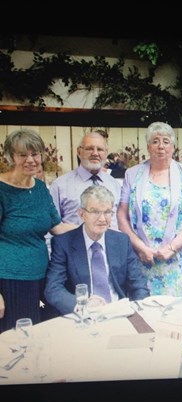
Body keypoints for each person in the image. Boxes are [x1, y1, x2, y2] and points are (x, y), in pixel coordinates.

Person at [0, 129, 76, 332]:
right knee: (17, 338)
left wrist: (89, 227)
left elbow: (57, 226)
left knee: (41, 333)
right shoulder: (1, 190)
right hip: (10, 281)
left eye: (35, 154)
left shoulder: (40, 188)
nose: (30, 160)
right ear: (9, 157)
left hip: (42, 277)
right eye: (22, 155)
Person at [117, 121, 182, 297]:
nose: (161, 146)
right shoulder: (132, 174)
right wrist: (141, 247)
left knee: (176, 313)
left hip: (177, 259)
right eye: (155, 141)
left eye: (166, 141)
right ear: (148, 147)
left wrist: (172, 247)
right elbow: (121, 215)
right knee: (143, 309)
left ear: (173, 147)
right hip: (142, 257)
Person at [44, 185, 149, 315]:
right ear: (81, 214)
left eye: (107, 212)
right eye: (95, 212)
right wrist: (81, 305)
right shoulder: (64, 243)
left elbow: (138, 283)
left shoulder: (122, 241)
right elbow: (53, 289)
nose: (102, 219)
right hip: (84, 314)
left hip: (118, 312)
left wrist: (139, 310)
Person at [49, 130, 121, 230]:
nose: (95, 153)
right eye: (89, 149)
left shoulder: (115, 185)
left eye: (100, 149)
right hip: (74, 245)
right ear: (79, 152)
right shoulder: (60, 186)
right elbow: (51, 226)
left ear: (106, 153)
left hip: (111, 244)